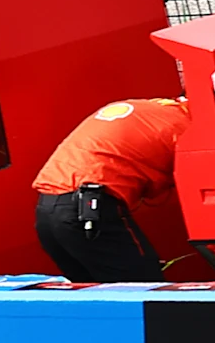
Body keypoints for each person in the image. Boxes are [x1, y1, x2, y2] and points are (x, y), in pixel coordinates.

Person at [31, 96, 187, 283]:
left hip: (48, 211)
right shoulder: (186, 130)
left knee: (94, 295)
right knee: (146, 288)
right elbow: (204, 211)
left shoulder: (148, 108)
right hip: (89, 210)